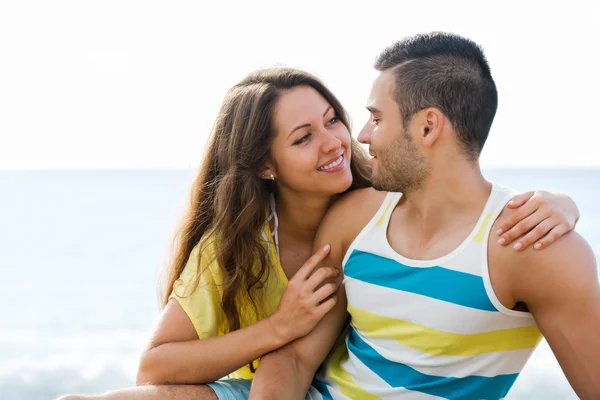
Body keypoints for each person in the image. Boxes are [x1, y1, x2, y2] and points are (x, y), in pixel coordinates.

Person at [58, 67, 580, 400]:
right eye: (304, 137)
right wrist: (279, 326)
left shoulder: (382, 201)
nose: (336, 142)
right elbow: (156, 365)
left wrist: (561, 203)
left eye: (334, 120)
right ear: (265, 165)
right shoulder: (238, 247)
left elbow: (457, 192)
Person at [249, 33, 600, 400]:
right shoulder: (352, 219)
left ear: (428, 127)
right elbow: (293, 358)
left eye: (377, 118)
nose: (363, 135)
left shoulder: (532, 248)